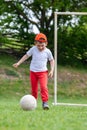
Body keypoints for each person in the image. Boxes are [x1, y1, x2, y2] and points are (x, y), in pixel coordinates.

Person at [13, 33, 54, 110]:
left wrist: (52, 70)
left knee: (43, 87)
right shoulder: (33, 49)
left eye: (43, 45)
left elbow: (51, 60)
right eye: (38, 45)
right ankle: (32, 103)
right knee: (34, 89)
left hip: (43, 72)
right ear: (35, 43)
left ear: (46, 43)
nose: (41, 47)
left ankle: (45, 103)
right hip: (33, 72)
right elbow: (26, 56)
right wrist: (18, 63)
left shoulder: (48, 51)